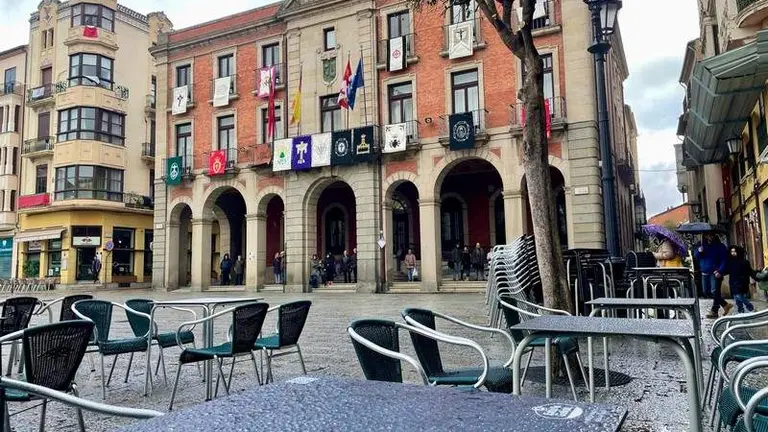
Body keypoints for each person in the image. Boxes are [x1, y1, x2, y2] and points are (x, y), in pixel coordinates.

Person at [694, 234, 731, 318]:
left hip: (715, 272)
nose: (709, 237)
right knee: (706, 291)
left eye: (711, 235)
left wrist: (720, 271)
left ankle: (714, 311)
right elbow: (696, 256)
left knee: (714, 291)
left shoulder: (720, 246)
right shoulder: (700, 245)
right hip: (704, 272)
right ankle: (725, 305)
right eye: (708, 236)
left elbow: (724, 260)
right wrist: (699, 251)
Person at [723, 245, 763, 314]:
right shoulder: (730, 262)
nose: (733, 253)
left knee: (739, 296)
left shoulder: (744, 262)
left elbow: (750, 271)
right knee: (736, 298)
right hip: (733, 282)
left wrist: (756, 276)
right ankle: (740, 311)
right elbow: (726, 270)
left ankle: (750, 308)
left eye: (734, 251)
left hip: (742, 282)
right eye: (732, 252)